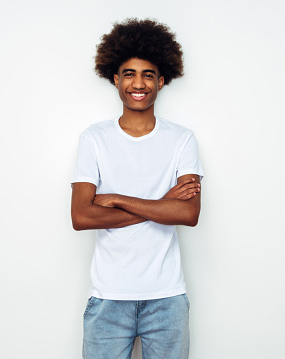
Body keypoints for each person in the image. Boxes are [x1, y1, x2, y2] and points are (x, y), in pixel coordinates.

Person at [71, 18, 203, 359]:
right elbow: (82, 216)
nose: (138, 83)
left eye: (147, 74)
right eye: (129, 73)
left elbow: (187, 213)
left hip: (167, 298)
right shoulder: (94, 139)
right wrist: (161, 205)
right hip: (108, 299)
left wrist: (115, 200)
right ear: (115, 79)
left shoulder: (181, 139)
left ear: (161, 80)